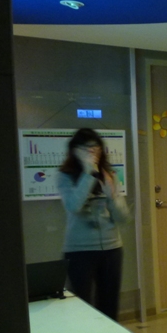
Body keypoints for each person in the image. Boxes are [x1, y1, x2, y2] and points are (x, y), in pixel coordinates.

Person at [57, 128, 130, 320]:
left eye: (95, 147)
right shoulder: (65, 176)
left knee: (109, 305)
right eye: (85, 148)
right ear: (74, 151)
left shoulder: (109, 175)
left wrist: (111, 195)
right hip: (79, 251)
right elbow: (73, 205)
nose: (91, 152)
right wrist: (89, 174)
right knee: (81, 308)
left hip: (112, 249)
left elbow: (123, 217)